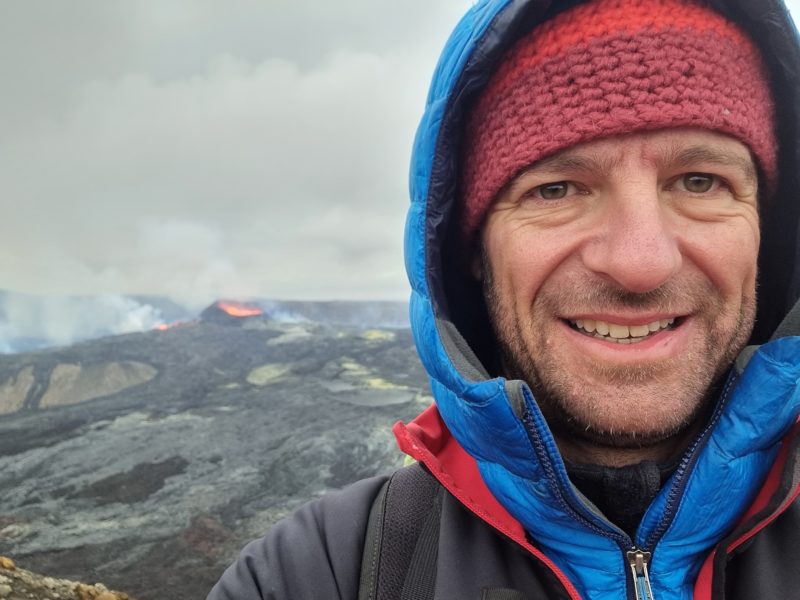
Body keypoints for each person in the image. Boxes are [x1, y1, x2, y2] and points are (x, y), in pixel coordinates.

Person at [207, 0, 800, 598]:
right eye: (556, 189)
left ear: (768, 234)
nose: (639, 263)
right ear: (471, 248)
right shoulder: (318, 572)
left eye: (700, 182)